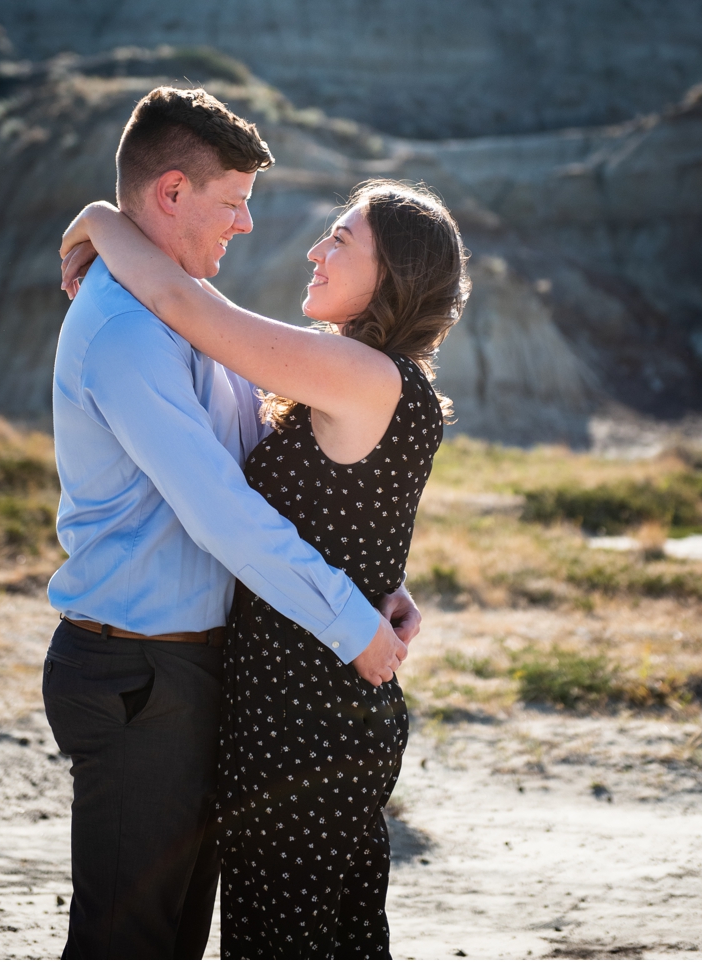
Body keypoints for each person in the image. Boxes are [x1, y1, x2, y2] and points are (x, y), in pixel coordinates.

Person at [59, 158, 468, 959]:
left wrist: (101, 221)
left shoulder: (357, 371)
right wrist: (383, 580)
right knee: (336, 938)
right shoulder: (377, 381)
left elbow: (184, 304)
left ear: (392, 277)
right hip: (315, 706)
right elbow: (347, 514)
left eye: (342, 240)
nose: (317, 251)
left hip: (301, 714)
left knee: (280, 942)